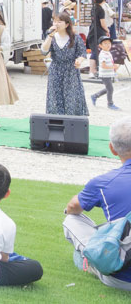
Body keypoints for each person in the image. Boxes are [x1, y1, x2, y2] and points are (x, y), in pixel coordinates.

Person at [63, 116, 131, 291]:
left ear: (112, 149)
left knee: (71, 220)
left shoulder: (103, 183)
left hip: (122, 278)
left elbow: (72, 208)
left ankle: (89, 259)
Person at [41, 12, 88, 116]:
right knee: (55, 96)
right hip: (55, 69)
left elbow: (82, 53)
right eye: (55, 21)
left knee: (72, 96)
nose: (56, 24)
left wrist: (79, 60)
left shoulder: (75, 38)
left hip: (71, 70)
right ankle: (56, 119)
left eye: (59, 21)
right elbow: (44, 51)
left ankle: (72, 120)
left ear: (67, 24)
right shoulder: (51, 36)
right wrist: (50, 35)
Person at [91, 35, 121, 110]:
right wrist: (113, 67)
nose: (108, 45)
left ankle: (95, 96)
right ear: (100, 45)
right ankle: (110, 104)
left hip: (108, 74)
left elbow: (109, 63)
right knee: (110, 89)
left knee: (108, 88)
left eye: (109, 43)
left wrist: (114, 67)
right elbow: (103, 65)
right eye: (105, 43)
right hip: (104, 75)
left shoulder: (107, 52)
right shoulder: (103, 54)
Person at [88, 0, 109, 77]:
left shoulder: (93, 8)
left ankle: (93, 71)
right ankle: (92, 71)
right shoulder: (100, 9)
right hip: (99, 32)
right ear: (103, 0)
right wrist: (107, 30)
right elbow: (103, 23)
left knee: (95, 50)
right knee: (97, 51)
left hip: (92, 30)